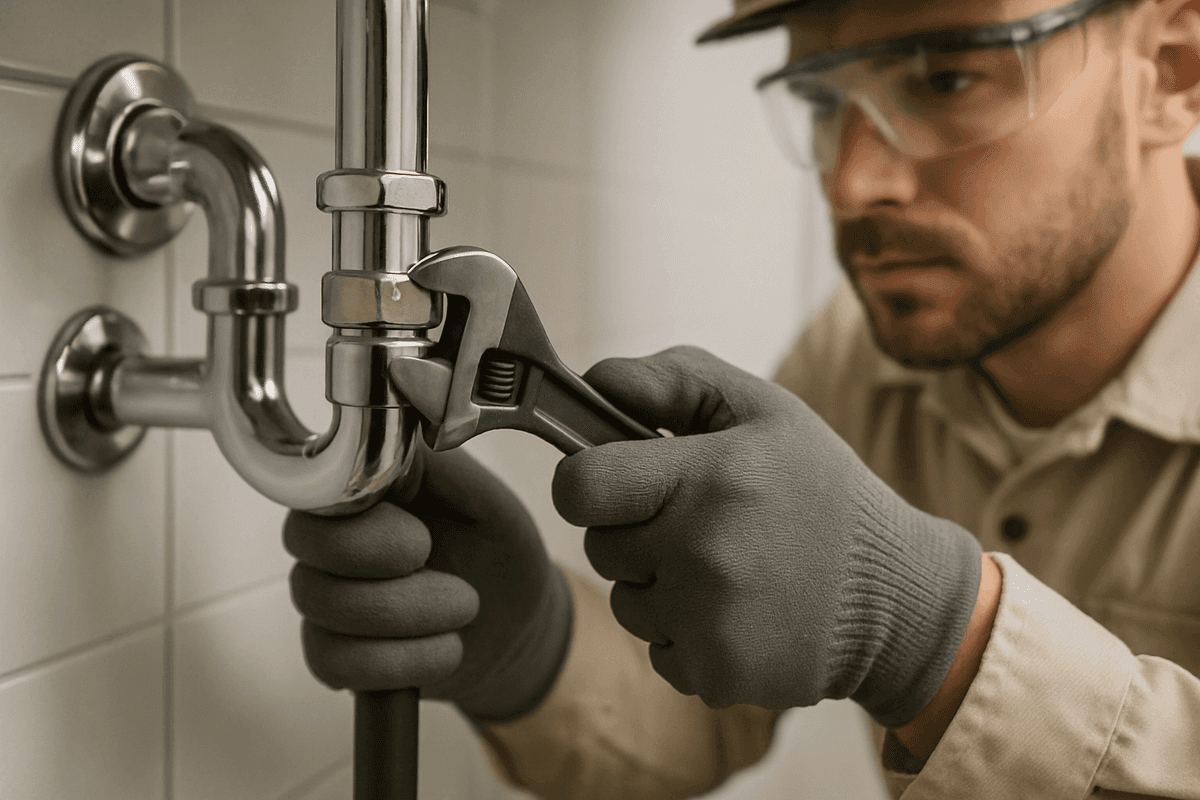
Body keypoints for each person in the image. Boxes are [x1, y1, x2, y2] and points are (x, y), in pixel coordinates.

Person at [282, 0, 1200, 796]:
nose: (850, 182)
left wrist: (937, 641)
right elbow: (717, 718)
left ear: (1171, 72)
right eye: (820, 101)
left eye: (947, 81)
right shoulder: (865, 353)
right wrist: (530, 641)